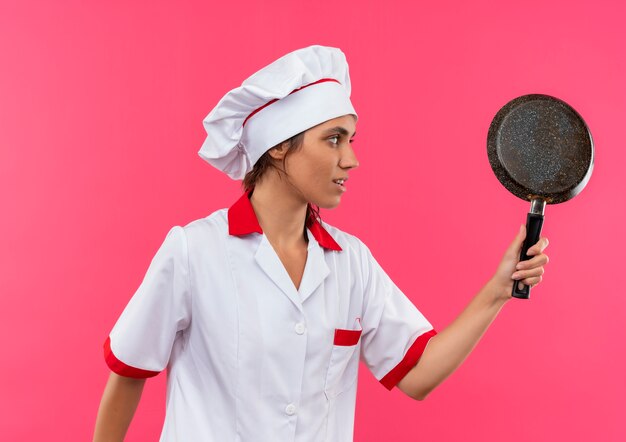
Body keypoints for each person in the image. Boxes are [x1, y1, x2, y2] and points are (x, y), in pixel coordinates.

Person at [93, 45, 549, 442]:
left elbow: (418, 375)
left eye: (350, 140)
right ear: (277, 146)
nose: (350, 160)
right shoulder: (194, 251)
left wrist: (498, 289)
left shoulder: (352, 263)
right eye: (333, 140)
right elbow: (129, 371)